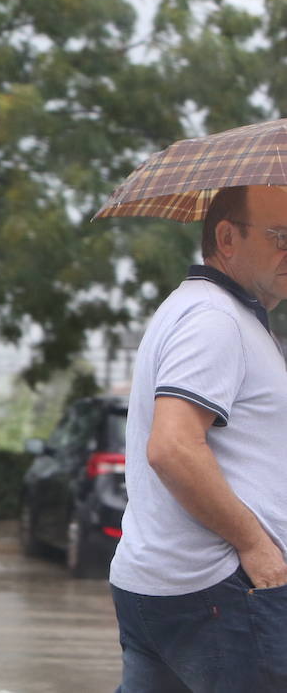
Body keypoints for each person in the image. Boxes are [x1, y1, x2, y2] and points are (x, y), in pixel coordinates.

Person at [109, 184, 287, 692]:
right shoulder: (214, 320)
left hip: (174, 585)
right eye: (281, 237)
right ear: (227, 237)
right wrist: (257, 547)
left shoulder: (214, 313)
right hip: (218, 590)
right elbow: (173, 447)